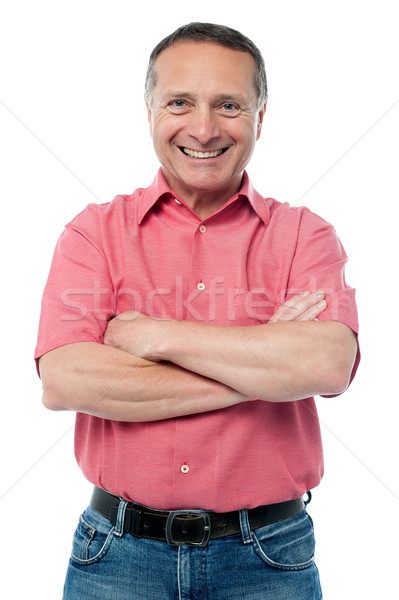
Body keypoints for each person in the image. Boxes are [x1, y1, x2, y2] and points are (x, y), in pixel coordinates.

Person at [35, 22, 359, 600]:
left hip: (268, 559)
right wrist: (262, 368)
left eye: (228, 105)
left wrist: (154, 335)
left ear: (261, 116)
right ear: (150, 110)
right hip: (115, 558)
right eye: (180, 102)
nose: (204, 128)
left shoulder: (306, 235)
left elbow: (327, 364)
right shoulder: (92, 233)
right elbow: (66, 379)